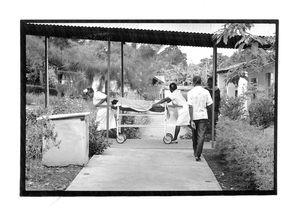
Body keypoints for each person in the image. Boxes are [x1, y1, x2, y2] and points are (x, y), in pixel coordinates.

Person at [187, 76, 213, 162]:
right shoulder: (206, 92)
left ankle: (196, 153)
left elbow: (190, 106)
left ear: (193, 82)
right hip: (203, 116)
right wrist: (210, 117)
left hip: (194, 117)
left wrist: (191, 120)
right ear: (201, 82)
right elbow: (210, 105)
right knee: (201, 136)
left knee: (194, 135)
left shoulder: (190, 92)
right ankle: (198, 154)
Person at [205, 76, 221, 141]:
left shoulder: (217, 90)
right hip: (207, 109)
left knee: (213, 123)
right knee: (207, 123)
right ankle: (207, 137)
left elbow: (215, 100)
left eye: (209, 82)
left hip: (214, 110)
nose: (208, 83)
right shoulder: (206, 90)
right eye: (208, 82)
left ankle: (213, 137)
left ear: (213, 82)